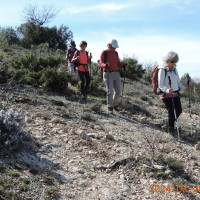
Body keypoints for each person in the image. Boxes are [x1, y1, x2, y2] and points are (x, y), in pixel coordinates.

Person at [158, 51, 191, 136]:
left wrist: (185, 88)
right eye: (172, 61)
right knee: (171, 112)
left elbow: (178, 83)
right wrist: (167, 90)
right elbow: (160, 85)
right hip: (166, 95)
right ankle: (171, 131)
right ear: (167, 60)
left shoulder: (175, 69)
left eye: (175, 61)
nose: (174, 63)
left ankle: (167, 123)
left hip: (175, 93)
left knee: (179, 110)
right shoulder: (162, 70)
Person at [99, 39, 127, 114]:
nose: (115, 48)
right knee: (110, 91)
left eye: (115, 47)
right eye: (114, 47)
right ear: (110, 45)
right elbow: (100, 62)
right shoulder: (104, 52)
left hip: (116, 73)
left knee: (118, 90)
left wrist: (123, 66)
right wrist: (105, 65)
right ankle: (110, 107)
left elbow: (118, 63)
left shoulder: (116, 53)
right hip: (107, 73)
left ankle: (114, 104)